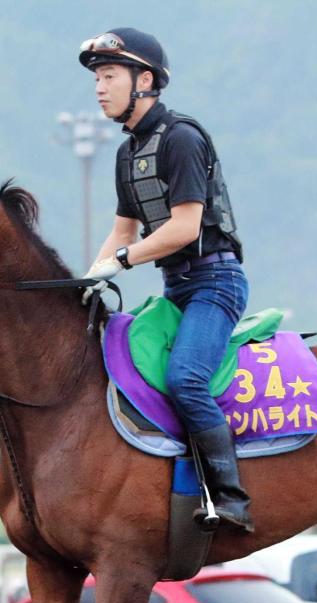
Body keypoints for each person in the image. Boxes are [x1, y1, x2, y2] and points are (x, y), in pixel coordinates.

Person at [78, 28, 253, 533]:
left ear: (145, 80)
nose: (99, 88)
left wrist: (124, 261)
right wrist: (88, 280)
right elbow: (122, 230)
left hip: (215, 282)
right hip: (176, 287)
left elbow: (185, 226)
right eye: (97, 78)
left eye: (109, 75)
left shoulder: (181, 138)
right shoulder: (127, 154)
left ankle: (231, 499)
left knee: (185, 378)